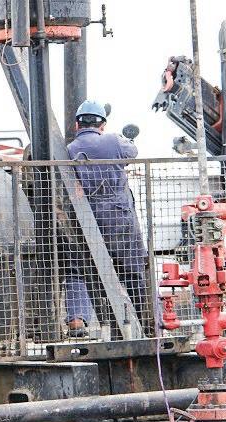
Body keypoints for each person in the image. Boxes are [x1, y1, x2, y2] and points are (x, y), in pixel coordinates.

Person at [66, 100, 149, 335]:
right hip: (120, 218)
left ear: (77, 124)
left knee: (80, 269)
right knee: (133, 270)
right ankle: (148, 320)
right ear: (102, 124)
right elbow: (132, 152)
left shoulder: (70, 149)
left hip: (88, 218)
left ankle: (76, 319)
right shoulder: (113, 141)